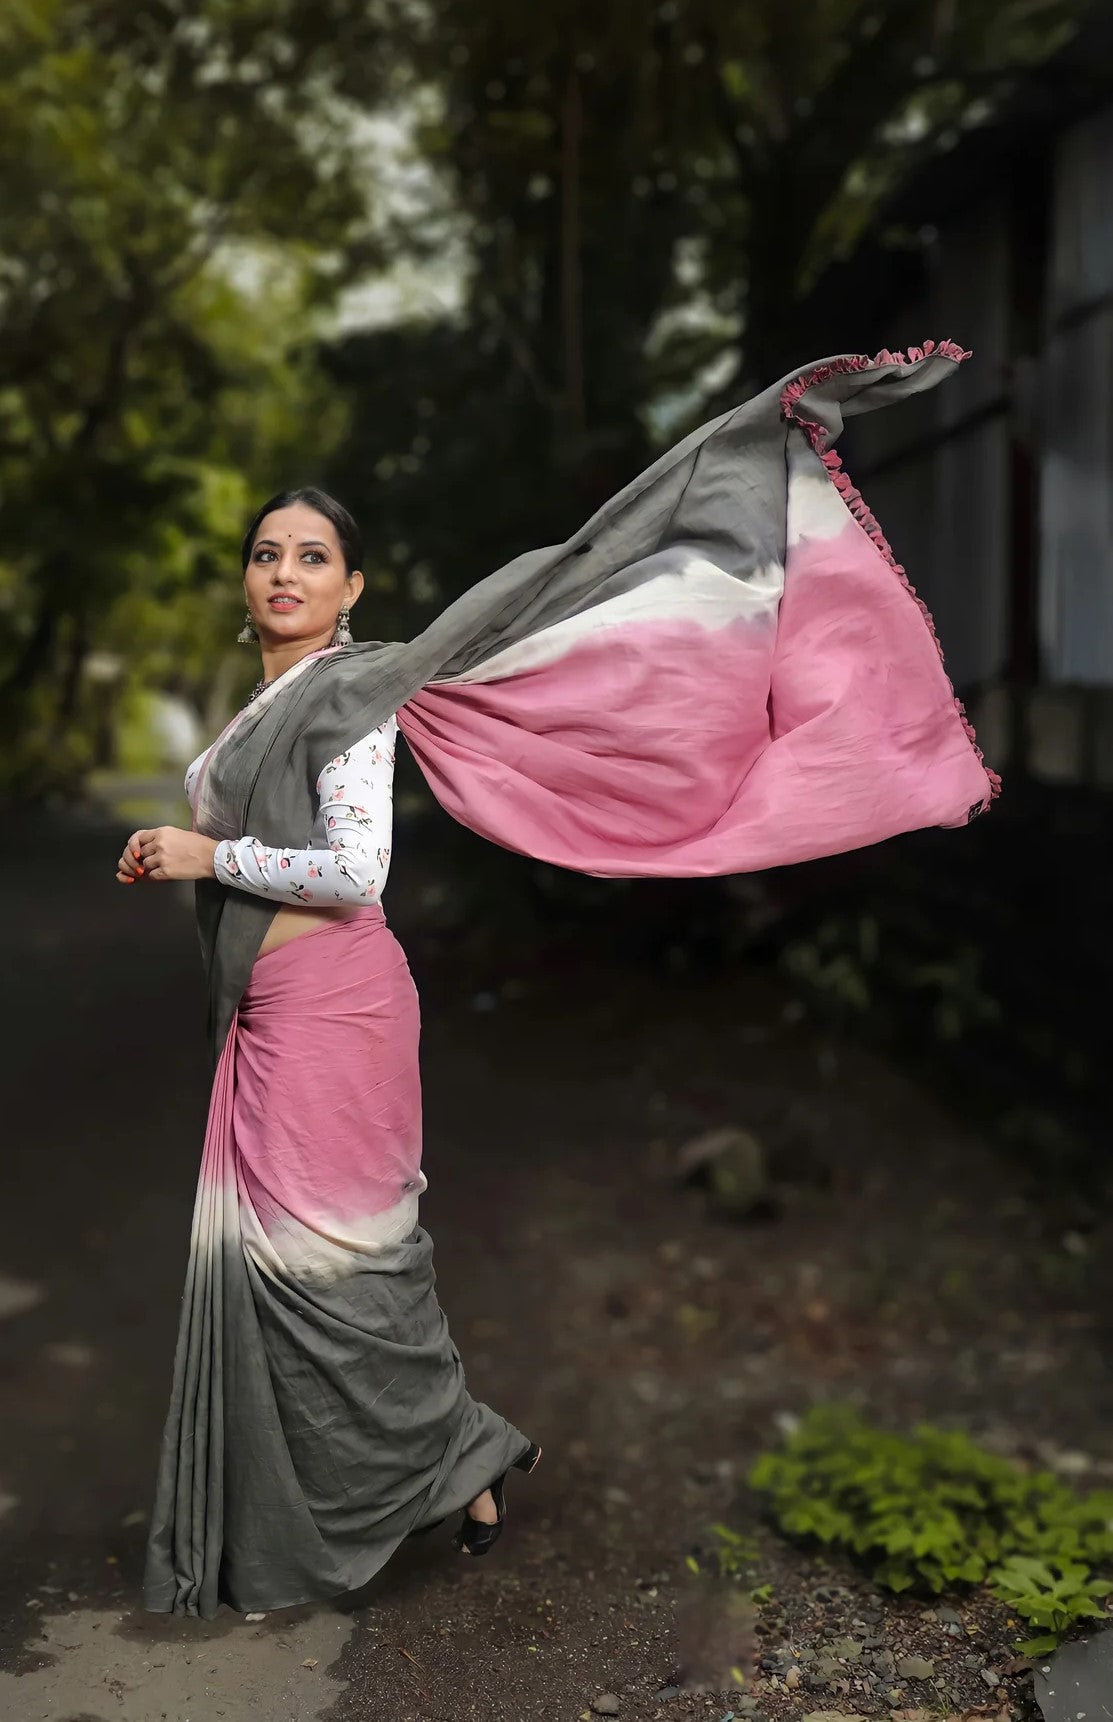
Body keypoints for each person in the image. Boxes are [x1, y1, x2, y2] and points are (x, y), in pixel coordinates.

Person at [126, 342, 999, 1620]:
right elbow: (246, 852)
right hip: (262, 1023)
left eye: (312, 556)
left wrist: (212, 851)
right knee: (268, 1271)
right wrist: (179, 851)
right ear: (243, 580)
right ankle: (323, 1500)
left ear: (354, 587)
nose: (283, 572)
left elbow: (357, 869)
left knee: (351, 1270)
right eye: (267, 553)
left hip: (339, 1010)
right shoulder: (247, 719)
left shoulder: (357, 697)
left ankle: (456, 1457)